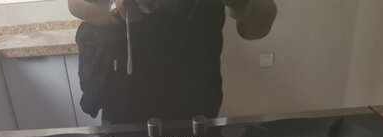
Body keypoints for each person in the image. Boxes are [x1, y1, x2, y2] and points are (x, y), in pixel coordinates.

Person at [68, 0, 277, 124]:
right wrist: (118, 10)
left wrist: (244, 5)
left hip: (197, 100)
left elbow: (257, 28)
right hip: (125, 99)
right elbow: (75, 4)